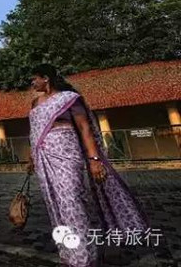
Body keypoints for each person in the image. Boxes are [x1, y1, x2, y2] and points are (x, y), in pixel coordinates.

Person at [27, 64, 148, 267]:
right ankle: (68, 253)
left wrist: (94, 160)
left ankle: (84, 257)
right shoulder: (35, 103)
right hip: (43, 158)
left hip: (67, 153)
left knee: (72, 200)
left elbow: (84, 129)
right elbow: (34, 133)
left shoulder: (68, 99)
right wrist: (32, 157)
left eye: (35, 78)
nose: (32, 82)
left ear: (45, 78)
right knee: (55, 204)